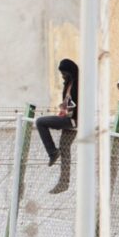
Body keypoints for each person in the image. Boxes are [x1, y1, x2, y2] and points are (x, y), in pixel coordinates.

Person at [36, 58, 79, 194]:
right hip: (67, 118)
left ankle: (53, 152)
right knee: (65, 148)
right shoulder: (68, 84)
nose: (62, 75)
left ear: (70, 72)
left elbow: (79, 104)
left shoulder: (80, 84)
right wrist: (63, 110)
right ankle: (63, 183)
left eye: (64, 73)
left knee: (40, 122)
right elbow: (67, 104)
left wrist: (70, 113)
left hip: (74, 120)